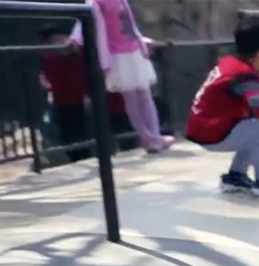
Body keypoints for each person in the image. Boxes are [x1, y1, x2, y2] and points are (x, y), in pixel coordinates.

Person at [185, 15, 259, 198]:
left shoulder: (230, 64)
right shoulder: (243, 74)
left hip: (203, 127)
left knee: (251, 125)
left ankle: (235, 177)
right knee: (258, 130)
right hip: (210, 131)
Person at [69, 0, 174, 153]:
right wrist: (74, 39)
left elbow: (130, 26)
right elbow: (85, 18)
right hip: (117, 53)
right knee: (131, 97)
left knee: (145, 94)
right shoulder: (96, 2)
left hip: (134, 49)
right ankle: (148, 138)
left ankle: (155, 135)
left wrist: (146, 41)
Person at [39, 25, 136, 160]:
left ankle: (126, 147)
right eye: (53, 41)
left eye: (61, 40)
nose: (58, 44)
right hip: (67, 101)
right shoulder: (49, 59)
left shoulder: (84, 53)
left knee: (115, 122)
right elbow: (49, 80)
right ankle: (79, 156)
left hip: (98, 96)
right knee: (72, 130)